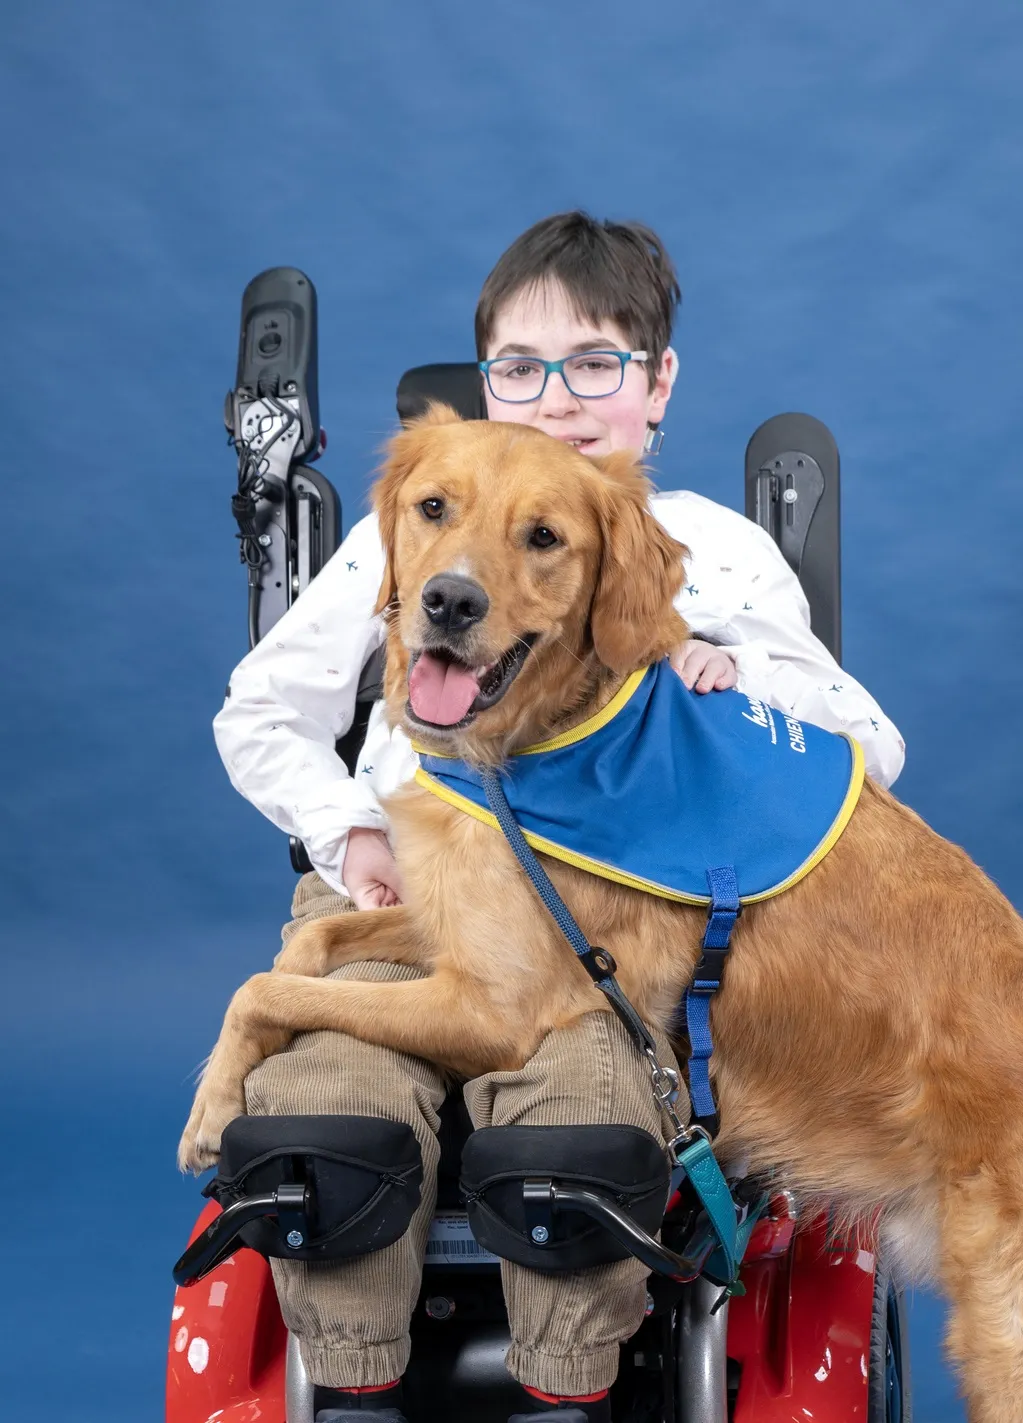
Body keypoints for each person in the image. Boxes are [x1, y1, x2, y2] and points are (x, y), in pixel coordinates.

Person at [213, 211, 905, 1423]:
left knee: (581, 1131)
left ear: (655, 382)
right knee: (332, 1114)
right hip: (405, 891)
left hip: (599, 916)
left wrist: (736, 675)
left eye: (595, 365)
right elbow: (261, 710)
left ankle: (564, 1391)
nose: (555, 400)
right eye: (519, 370)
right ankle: (357, 1386)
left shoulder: (709, 549)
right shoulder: (426, 518)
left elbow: (866, 749)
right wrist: (349, 833)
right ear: (485, 381)